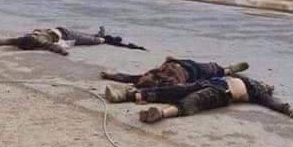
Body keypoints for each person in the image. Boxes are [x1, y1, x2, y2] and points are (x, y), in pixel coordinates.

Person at [105, 75, 293, 123]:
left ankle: (160, 114)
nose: (267, 85)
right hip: (208, 83)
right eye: (267, 84)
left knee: (193, 101)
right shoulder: (245, 79)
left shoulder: (258, 91)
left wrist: (287, 108)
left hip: (222, 94)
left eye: (268, 86)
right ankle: (126, 95)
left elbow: (272, 103)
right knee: (172, 90)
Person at [102, 57, 250, 91]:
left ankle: (227, 70)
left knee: (212, 68)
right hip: (194, 71)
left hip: (182, 62)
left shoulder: (149, 76)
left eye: (146, 75)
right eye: (147, 76)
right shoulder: (168, 83)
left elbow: (127, 77)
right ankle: (229, 71)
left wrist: (110, 75)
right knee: (213, 69)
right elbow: (178, 88)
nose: (145, 74)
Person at [0, 27, 106, 55]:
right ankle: (100, 37)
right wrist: (63, 52)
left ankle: (99, 36)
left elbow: (6, 41)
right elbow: (53, 47)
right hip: (63, 34)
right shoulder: (36, 40)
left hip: (62, 32)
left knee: (88, 38)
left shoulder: (23, 40)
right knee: (90, 39)